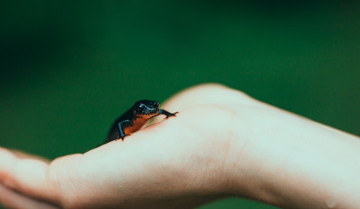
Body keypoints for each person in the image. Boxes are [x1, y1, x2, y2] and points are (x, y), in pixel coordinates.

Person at [0, 83, 359, 209]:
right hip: (115, 134)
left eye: (153, 111)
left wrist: (228, 148)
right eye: (148, 111)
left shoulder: (153, 112)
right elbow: (123, 126)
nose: (151, 113)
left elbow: (161, 112)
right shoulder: (131, 118)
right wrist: (122, 139)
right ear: (139, 112)